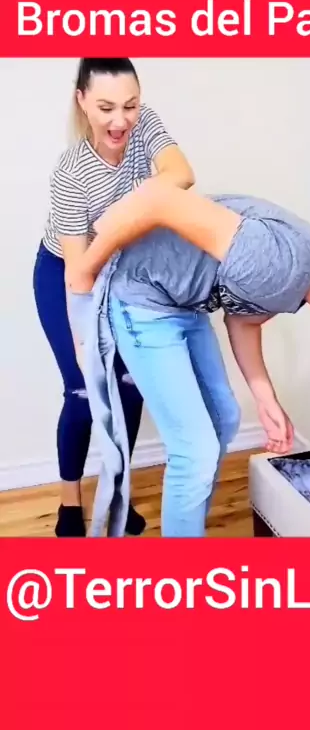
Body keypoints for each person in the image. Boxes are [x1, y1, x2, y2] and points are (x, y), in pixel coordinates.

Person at [66, 181, 310, 538]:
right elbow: (159, 199)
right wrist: (84, 271)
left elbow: (243, 319)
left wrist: (266, 399)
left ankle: (186, 528)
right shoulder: (275, 261)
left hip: (183, 302)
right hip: (142, 296)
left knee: (224, 419)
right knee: (195, 451)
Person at [32, 58, 195, 538]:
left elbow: (181, 173)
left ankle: (118, 490)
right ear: (82, 101)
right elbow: (78, 270)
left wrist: (122, 216)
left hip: (123, 272)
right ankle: (70, 502)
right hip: (66, 272)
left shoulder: (144, 125)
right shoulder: (71, 172)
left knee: (128, 386)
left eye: (130, 105)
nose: (120, 120)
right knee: (83, 391)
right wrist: (85, 342)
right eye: (106, 108)